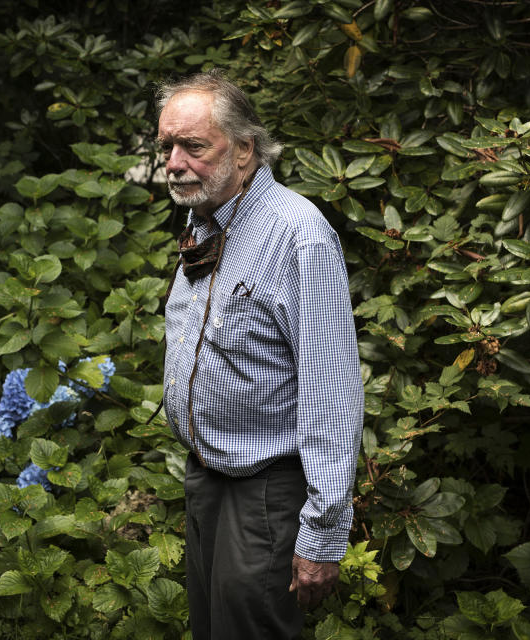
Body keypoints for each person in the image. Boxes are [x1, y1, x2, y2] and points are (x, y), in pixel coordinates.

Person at [155, 70, 363, 640]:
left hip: (267, 490)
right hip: (207, 477)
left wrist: (321, 533)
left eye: (193, 146)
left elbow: (330, 390)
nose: (173, 162)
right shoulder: (205, 219)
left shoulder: (297, 233)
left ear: (245, 149)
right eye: (167, 146)